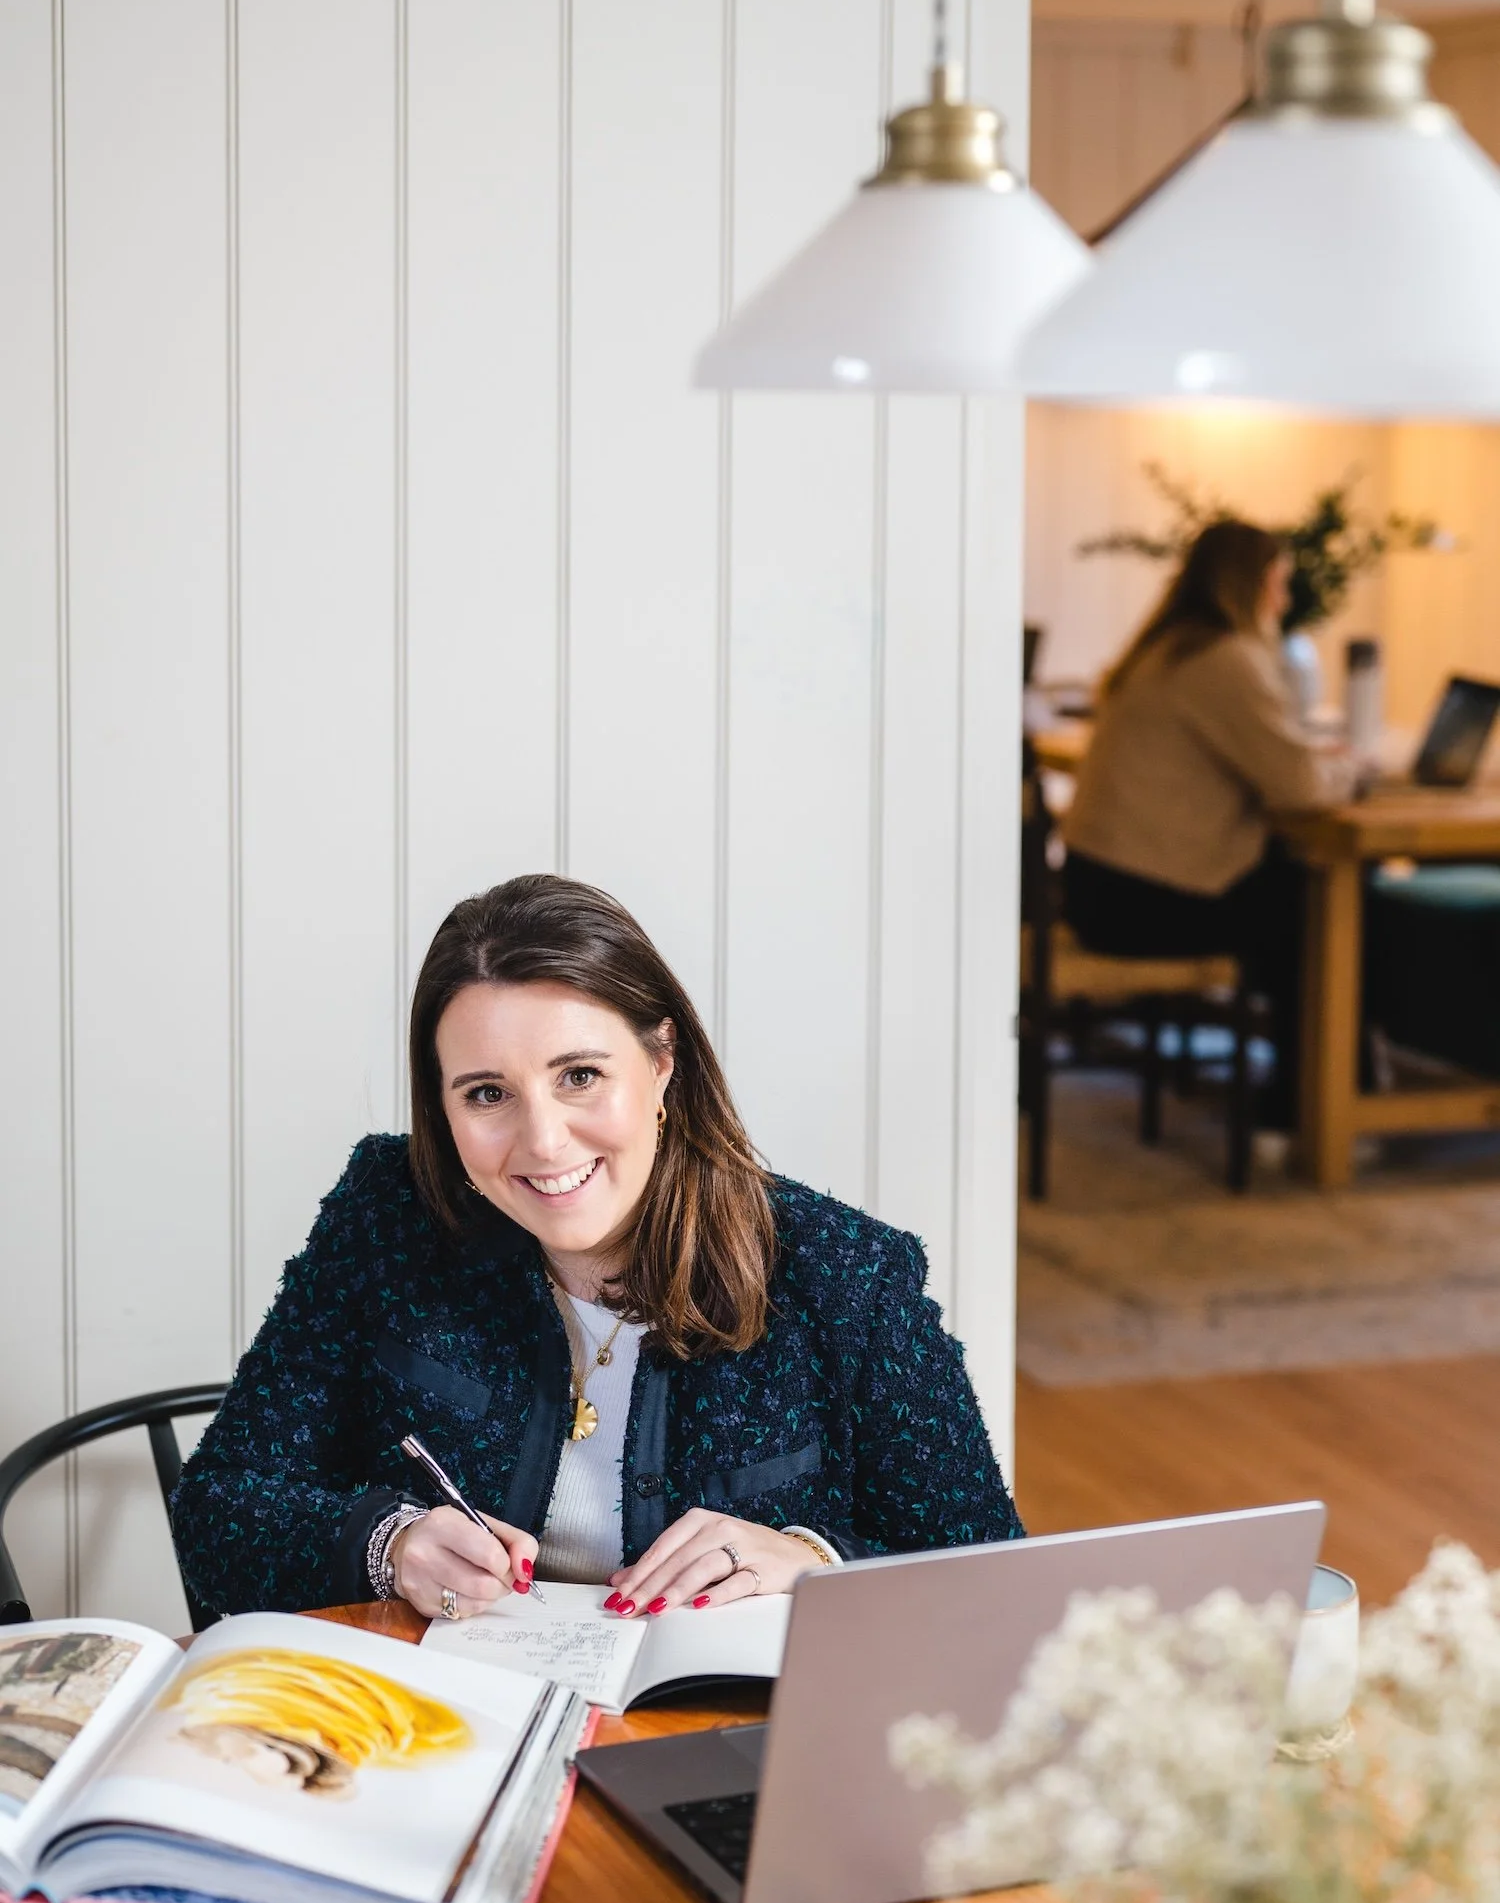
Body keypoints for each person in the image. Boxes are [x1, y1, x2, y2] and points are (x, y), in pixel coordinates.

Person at [172, 875, 1022, 1623]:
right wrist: (385, 1543)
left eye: (579, 1076)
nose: (543, 1141)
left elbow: (996, 1582)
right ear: (441, 1105)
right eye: (487, 1093)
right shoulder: (389, 1211)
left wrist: (814, 1561)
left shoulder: (845, 1276)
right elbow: (218, 1510)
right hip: (432, 1720)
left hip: (711, 1737)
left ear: (662, 1063)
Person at [1062, 519, 1353, 1130]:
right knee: (1319, 906)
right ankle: (1309, 1103)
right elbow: (1299, 788)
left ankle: (1322, 1084)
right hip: (1140, 904)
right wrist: (1349, 770)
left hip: (1094, 888)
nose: (1285, 601)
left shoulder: (1167, 649)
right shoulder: (1225, 660)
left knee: (1290, 884)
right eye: (1279, 583)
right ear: (1249, 585)